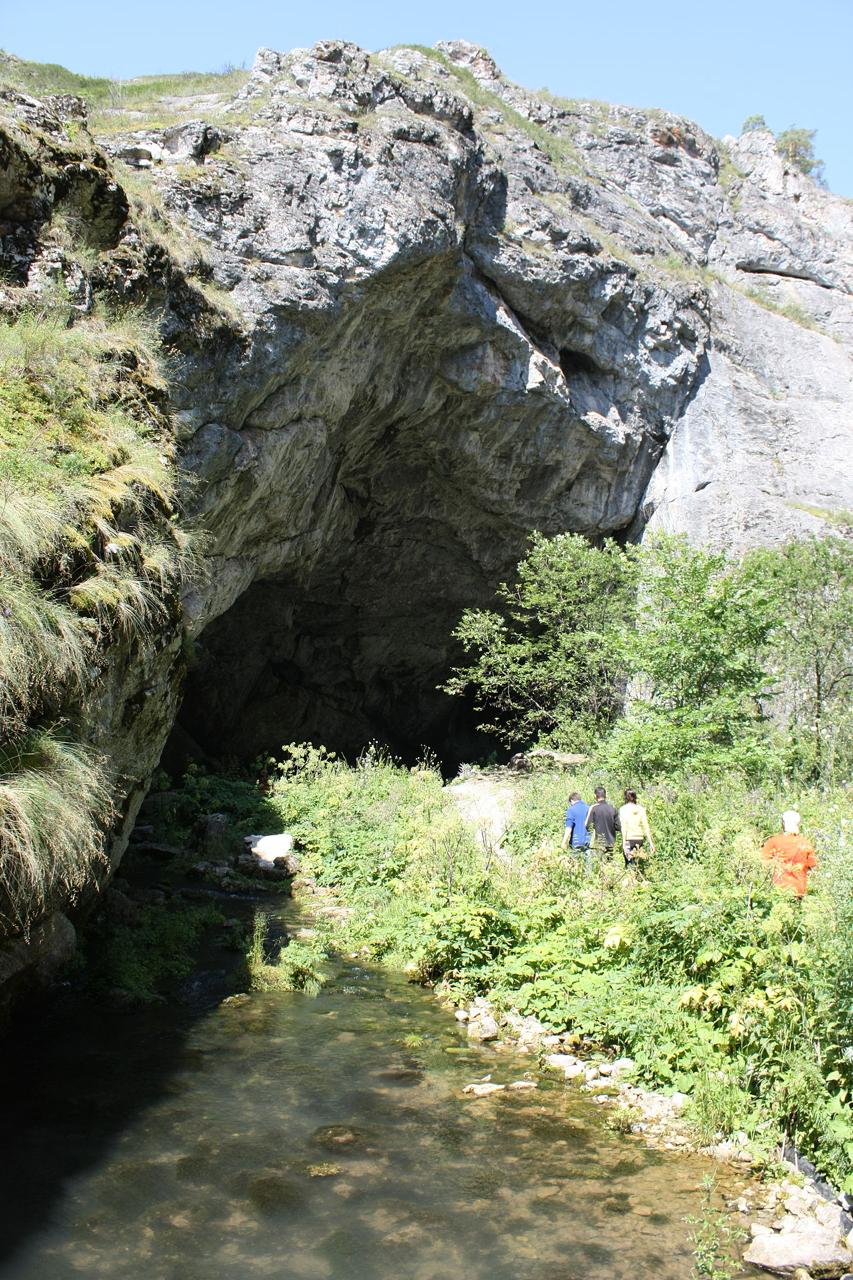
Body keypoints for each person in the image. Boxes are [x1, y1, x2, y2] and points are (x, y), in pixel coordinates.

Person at [761, 809, 818, 898]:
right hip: (799, 890)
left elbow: (764, 862)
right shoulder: (805, 843)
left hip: (778, 889)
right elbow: (812, 864)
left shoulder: (773, 841)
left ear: (783, 823)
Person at [618, 789, 655, 869]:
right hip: (639, 839)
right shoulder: (641, 809)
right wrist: (651, 843)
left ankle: (632, 875)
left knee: (629, 863)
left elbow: (624, 827)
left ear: (625, 797)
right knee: (637, 862)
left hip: (629, 839)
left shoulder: (623, 809)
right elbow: (646, 827)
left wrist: (624, 843)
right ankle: (637, 874)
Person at [585, 786, 620, 856]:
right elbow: (618, 827)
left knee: (598, 861)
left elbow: (588, 825)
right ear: (605, 796)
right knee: (609, 862)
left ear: (595, 796)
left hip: (598, 843)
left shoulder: (593, 808)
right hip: (610, 842)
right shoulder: (612, 809)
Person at [561, 792, 590, 861]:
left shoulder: (571, 810)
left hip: (576, 841)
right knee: (588, 864)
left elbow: (569, 828)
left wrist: (564, 842)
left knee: (575, 864)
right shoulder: (589, 808)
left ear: (572, 800)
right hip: (588, 840)